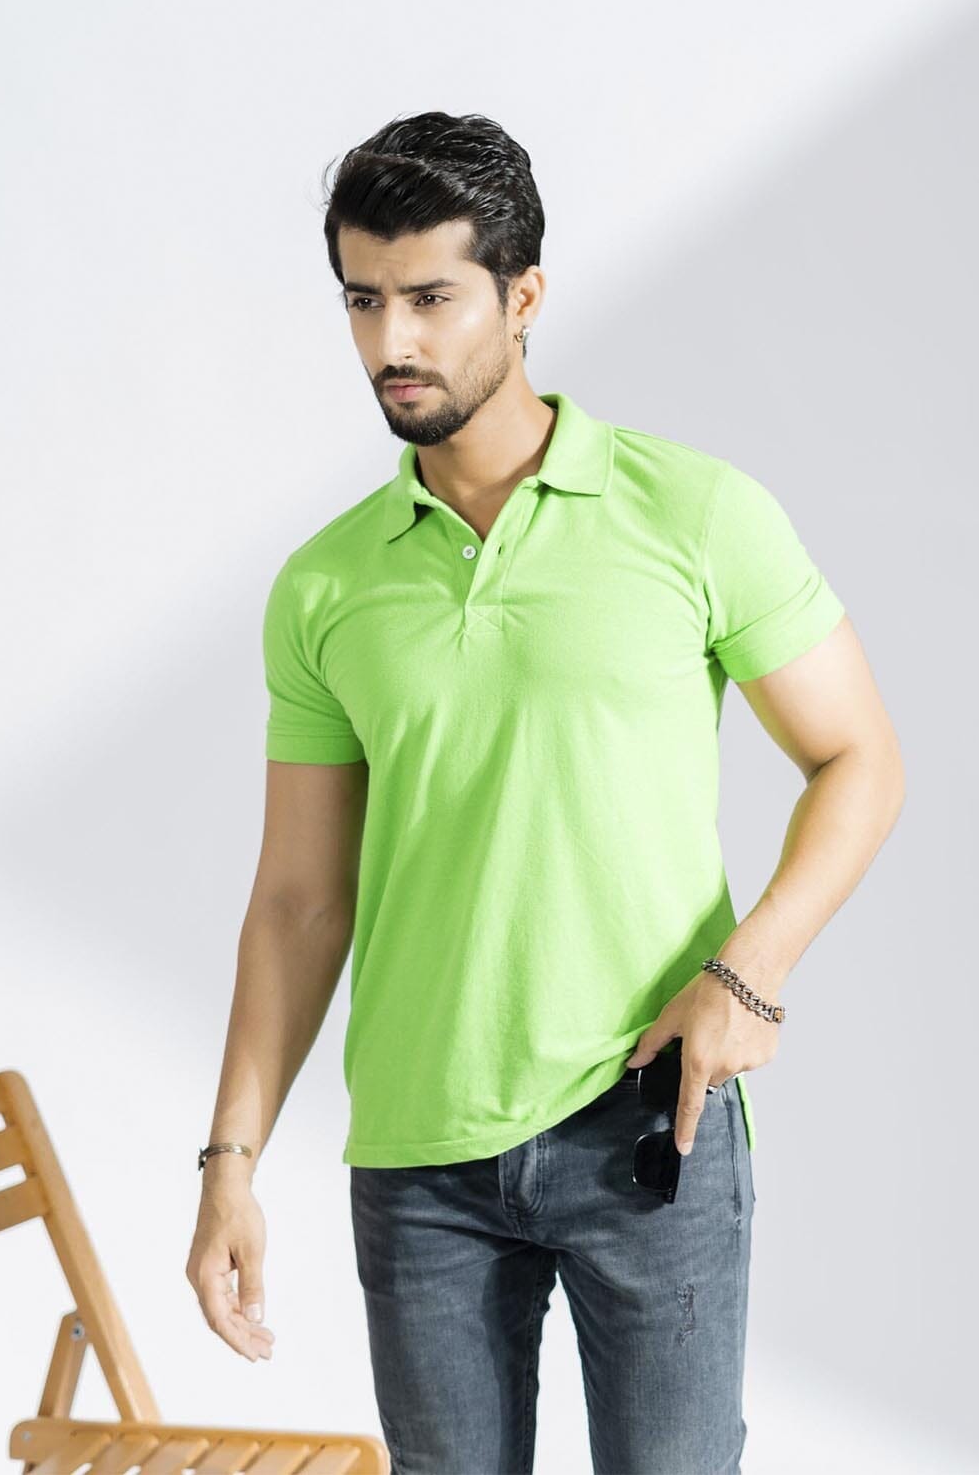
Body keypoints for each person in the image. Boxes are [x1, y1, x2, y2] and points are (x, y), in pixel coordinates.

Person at [185, 111, 906, 1474]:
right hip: (419, 1165)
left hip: (650, 1124)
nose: (390, 342)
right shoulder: (326, 587)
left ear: (522, 297)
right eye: (362, 301)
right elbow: (296, 902)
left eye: (429, 298)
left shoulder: (692, 514)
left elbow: (859, 758)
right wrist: (230, 1162)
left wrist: (749, 975)